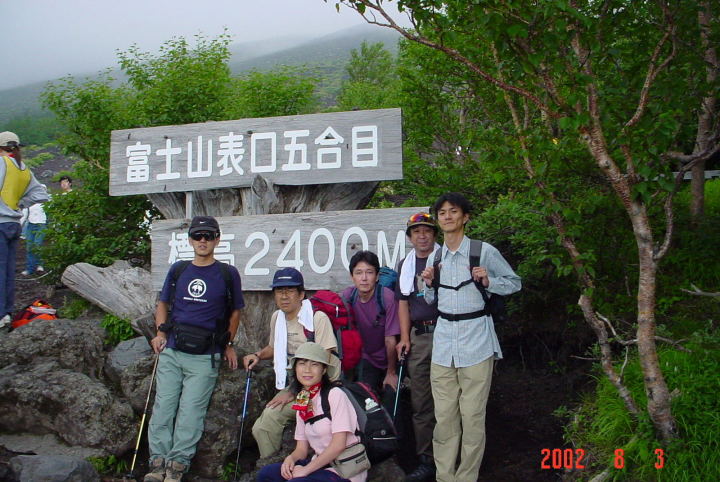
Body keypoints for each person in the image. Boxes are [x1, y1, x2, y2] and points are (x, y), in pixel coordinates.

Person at [421, 192, 521, 482]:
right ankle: (444, 476)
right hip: (443, 346)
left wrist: (490, 280)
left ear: (465, 217)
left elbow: (514, 283)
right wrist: (428, 284)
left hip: (477, 342)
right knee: (444, 419)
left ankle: (466, 477)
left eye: (453, 211)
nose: (448, 216)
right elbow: (431, 299)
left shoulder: (483, 251)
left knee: (473, 417)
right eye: (442, 213)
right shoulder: (436, 256)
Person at [145, 215, 244, 482]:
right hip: (173, 350)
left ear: (217, 240)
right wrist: (159, 332)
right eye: (198, 236)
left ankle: (177, 466)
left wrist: (229, 344)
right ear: (190, 240)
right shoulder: (179, 270)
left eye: (208, 236)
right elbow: (163, 304)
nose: (203, 241)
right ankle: (157, 464)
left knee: (191, 412)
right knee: (163, 407)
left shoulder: (227, 273)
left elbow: (235, 312)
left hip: (205, 356)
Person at [244, 267, 340, 459]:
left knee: (278, 419)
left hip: (323, 388)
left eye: (290, 291)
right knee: (262, 426)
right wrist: (258, 354)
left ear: (301, 294)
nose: (284, 296)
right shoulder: (277, 318)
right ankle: (271, 468)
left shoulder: (316, 318)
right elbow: (274, 347)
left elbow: (324, 358)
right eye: (279, 291)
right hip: (296, 384)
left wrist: (293, 391)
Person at [257, 342, 367, 482]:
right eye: (302, 363)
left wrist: (305, 470)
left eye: (314, 364)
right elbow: (302, 449)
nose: (307, 370)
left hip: (344, 470)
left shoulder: (334, 395)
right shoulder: (303, 399)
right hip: (319, 465)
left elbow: (338, 445)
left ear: (324, 370)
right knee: (266, 474)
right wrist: (290, 459)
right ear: (295, 368)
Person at [394, 212, 440, 482]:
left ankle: (450, 455)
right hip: (419, 335)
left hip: (447, 332)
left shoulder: (447, 259)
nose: (422, 236)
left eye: (427, 231)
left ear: (434, 234)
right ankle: (426, 459)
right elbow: (403, 302)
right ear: (410, 237)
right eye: (416, 232)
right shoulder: (405, 265)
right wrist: (404, 337)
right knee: (421, 402)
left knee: (448, 400)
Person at [0, 132, 48, 331]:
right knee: (7, 271)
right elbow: (41, 194)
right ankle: (6, 313)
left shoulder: (1, 163)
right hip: (13, 224)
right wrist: (19, 204)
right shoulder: (22, 168)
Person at [341, 250, 400, 393]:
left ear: (377, 275)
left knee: (391, 399)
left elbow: (390, 339)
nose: (364, 278)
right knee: (367, 398)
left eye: (369, 272)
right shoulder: (348, 296)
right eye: (359, 273)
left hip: (391, 359)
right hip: (365, 359)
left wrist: (391, 373)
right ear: (352, 276)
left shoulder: (387, 298)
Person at [20, 198, 47, 275]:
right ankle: (30, 268)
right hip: (31, 225)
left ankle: (40, 265)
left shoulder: (45, 201)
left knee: (37, 244)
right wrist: (19, 226)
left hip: (41, 225)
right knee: (29, 246)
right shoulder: (28, 202)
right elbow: (24, 215)